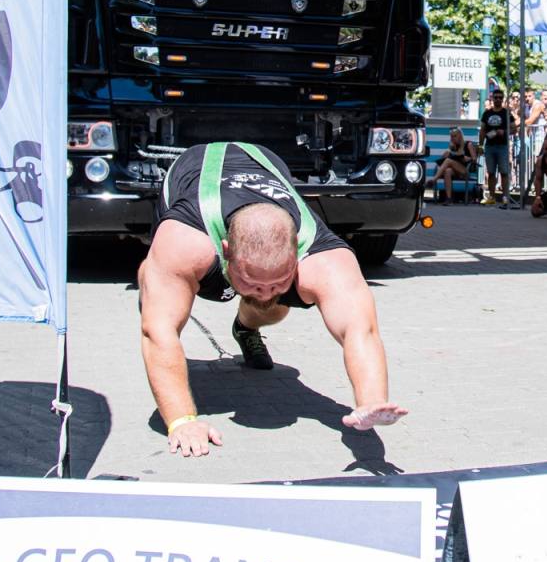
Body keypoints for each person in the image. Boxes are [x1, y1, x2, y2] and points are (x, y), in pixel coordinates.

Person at [137, 142, 405, 457]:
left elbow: (360, 330)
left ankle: (245, 328)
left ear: (297, 252)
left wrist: (371, 401)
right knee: (157, 294)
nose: (265, 292)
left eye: (277, 282)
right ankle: (154, 281)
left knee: (276, 308)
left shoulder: (326, 259)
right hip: (192, 167)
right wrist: (181, 421)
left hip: (266, 160)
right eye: (252, 283)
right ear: (226, 251)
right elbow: (158, 332)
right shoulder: (185, 240)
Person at [479, 88, 512, 206]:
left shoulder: (506, 113)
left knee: (504, 172)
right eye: (496, 97)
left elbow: (514, 128)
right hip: (489, 146)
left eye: (500, 97)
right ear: (492, 99)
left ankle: (505, 197)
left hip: (502, 146)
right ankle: (492, 197)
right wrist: (480, 145)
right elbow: (482, 130)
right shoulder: (487, 113)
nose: (498, 99)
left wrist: (504, 131)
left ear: (503, 99)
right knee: (491, 172)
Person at [433, 126, 477, 205]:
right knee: (447, 171)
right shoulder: (453, 146)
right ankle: (449, 199)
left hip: (464, 171)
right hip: (455, 171)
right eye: (451, 137)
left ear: (460, 136)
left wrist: (469, 158)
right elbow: (443, 159)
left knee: (448, 161)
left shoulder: (468, 144)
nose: (453, 138)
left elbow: (474, 159)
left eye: (454, 136)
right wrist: (447, 153)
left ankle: (434, 179)